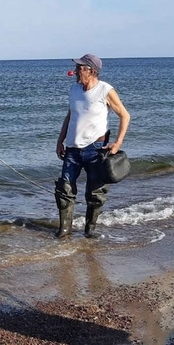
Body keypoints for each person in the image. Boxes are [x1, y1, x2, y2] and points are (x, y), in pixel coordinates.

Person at [55, 53, 130, 238]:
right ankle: (64, 232)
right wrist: (60, 140)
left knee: (95, 193)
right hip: (72, 149)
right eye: (78, 67)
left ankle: (90, 231)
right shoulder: (74, 90)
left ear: (91, 71)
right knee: (64, 189)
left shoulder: (105, 90)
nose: (77, 71)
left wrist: (117, 143)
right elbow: (70, 116)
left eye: (81, 68)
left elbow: (125, 115)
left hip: (96, 149)